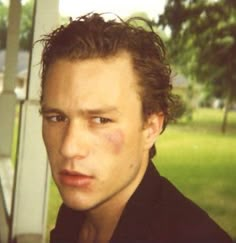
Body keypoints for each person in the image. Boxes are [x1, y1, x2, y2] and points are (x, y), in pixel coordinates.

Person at [39, 13, 233, 243]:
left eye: (101, 120)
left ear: (150, 128)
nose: (69, 148)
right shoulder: (74, 215)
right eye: (56, 117)